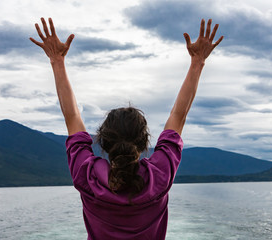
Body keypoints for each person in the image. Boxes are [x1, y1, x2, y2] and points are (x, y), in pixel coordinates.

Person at [30, 17, 223, 240]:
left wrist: (57, 61)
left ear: (102, 142)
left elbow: (71, 115)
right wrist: (198, 62)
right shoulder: (158, 176)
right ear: (143, 143)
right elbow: (179, 115)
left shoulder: (87, 175)